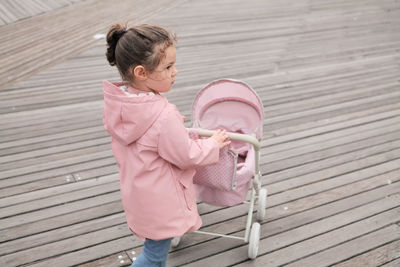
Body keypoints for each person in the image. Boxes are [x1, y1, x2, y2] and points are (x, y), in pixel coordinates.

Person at [103, 23, 231, 267]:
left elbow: (147, 138)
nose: (176, 72)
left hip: (139, 195)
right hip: (162, 202)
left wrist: (169, 128)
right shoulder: (162, 114)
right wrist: (213, 143)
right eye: (168, 67)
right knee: (152, 258)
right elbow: (187, 155)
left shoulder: (122, 105)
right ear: (141, 72)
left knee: (155, 253)